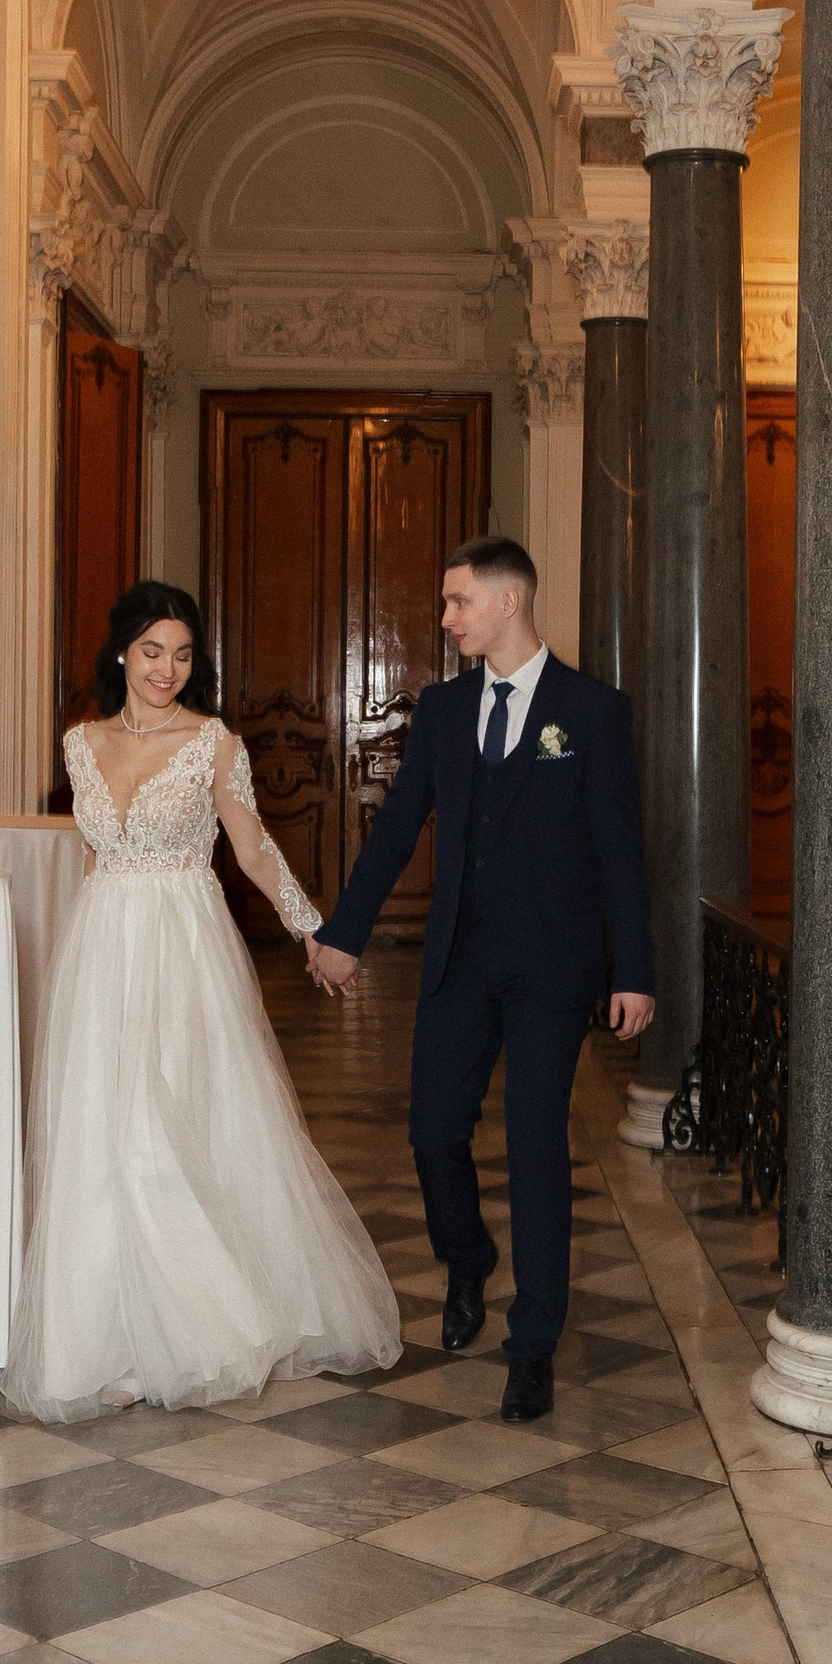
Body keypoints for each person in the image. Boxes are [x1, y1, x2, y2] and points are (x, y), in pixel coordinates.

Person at [3, 579, 401, 1424]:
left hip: (184, 948)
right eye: (153, 652)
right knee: (101, 1135)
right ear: (122, 652)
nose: (167, 670)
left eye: (183, 655)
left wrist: (311, 931)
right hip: (104, 944)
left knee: (164, 1128)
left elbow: (253, 847)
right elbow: (90, 860)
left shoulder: (213, 742)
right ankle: (107, 1334)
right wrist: (76, 961)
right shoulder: (81, 743)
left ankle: (193, 1334)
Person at [306, 535, 651, 1424]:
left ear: (509, 602)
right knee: (432, 1135)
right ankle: (467, 1259)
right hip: (458, 961)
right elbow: (395, 834)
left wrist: (636, 971)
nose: (448, 617)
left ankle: (532, 1342)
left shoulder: (592, 711)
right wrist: (344, 932)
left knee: (537, 1148)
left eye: (459, 601)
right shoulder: (446, 710)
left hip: (552, 972)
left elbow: (621, 853)